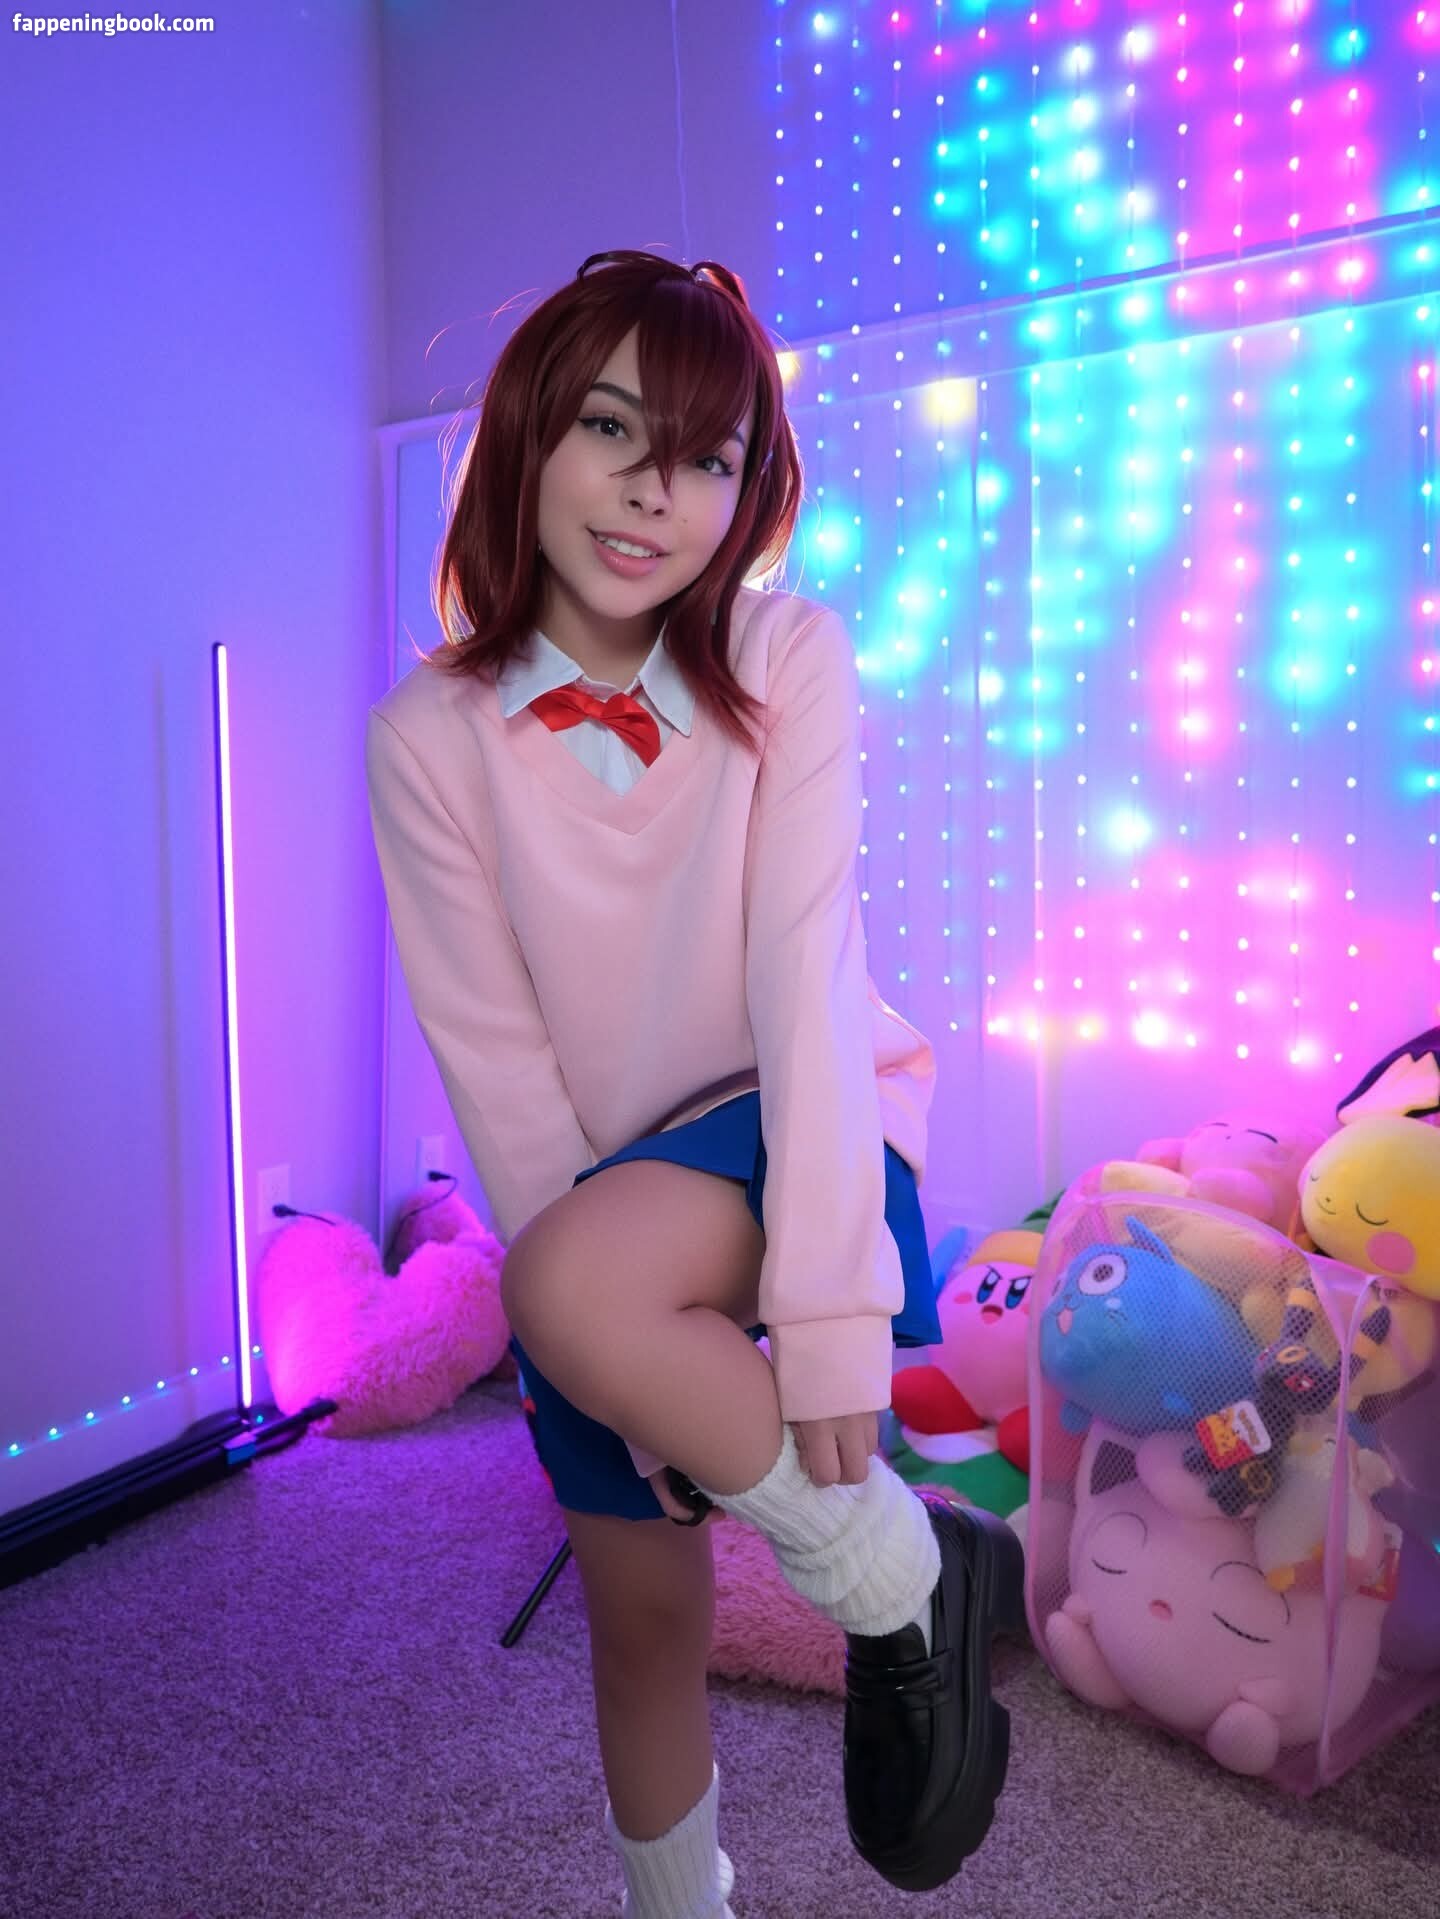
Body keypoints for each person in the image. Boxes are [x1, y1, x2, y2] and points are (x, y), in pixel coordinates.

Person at [365, 249, 1024, 1917]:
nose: (656, 493)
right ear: (529, 435)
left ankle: (893, 1576)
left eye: (708, 458)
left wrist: (827, 1322)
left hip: (805, 1127)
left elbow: (806, 977)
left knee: (582, 1284)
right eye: (611, 430)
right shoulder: (427, 735)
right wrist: (591, 1347)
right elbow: (496, 1060)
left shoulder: (788, 654)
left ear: (750, 491)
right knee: (642, 1615)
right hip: (598, 1210)